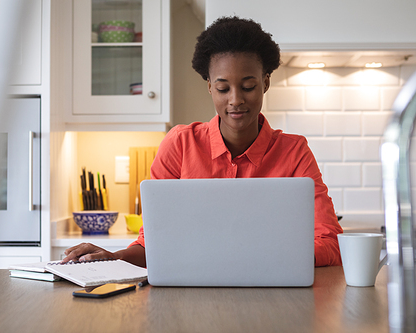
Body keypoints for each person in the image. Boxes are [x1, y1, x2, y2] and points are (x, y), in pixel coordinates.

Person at [63, 16, 343, 267]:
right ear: (210, 86)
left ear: (265, 83)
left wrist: (260, 258)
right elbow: (154, 245)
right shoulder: (179, 145)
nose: (235, 100)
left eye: (248, 86)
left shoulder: (294, 152)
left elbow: (330, 242)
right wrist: (117, 257)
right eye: (223, 88)